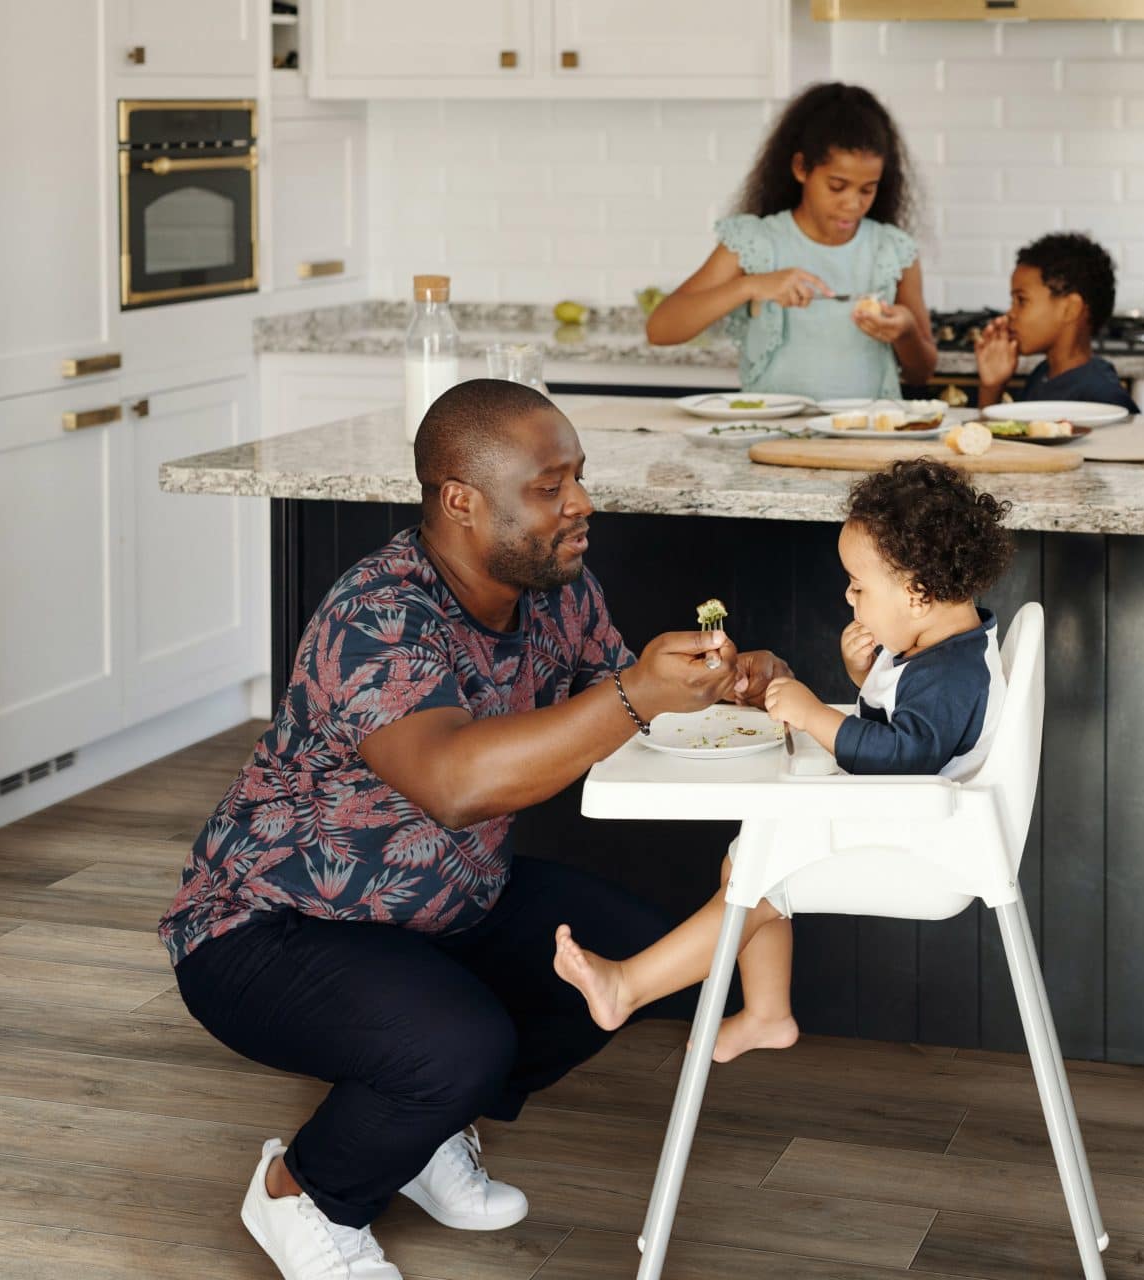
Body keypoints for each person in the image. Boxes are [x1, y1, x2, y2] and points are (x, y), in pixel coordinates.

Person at [158, 379, 790, 1280]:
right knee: (457, 1044)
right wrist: (634, 695)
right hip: (265, 928)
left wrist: (727, 685)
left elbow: (618, 714)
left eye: (577, 478)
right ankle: (304, 1193)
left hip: (444, 904)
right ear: (460, 499)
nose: (581, 505)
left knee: (630, 951)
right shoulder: (379, 614)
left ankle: (417, 1132)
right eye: (550, 487)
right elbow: (454, 785)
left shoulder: (557, 590)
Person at [553, 459, 1013, 1063]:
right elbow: (912, 734)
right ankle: (768, 1013)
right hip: (907, 826)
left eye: (858, 585)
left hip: (925, 854)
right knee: (745, 860)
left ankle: (627, 987)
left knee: (759, 881)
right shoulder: (942, 651)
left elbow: (902, 757)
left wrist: (815, 711)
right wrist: (864, 678)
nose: (848, 597)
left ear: (917, 593)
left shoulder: (950, 674)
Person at [644, 82, 938, 401]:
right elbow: (660, 330)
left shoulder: (892, 250)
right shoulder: (756, 243)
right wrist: (750, 286)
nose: (853, 204)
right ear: (801, 168)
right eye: (837, 187)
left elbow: (921, 372)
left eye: (867, 189)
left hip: (864, 439)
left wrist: (907, 331)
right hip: (774, 438)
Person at [972, 232, 1141, 414]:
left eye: (1021, 300)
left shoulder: (1104, 396)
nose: (1010, 314)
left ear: (1070, 309)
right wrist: (992, 387)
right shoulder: (1043, 374)